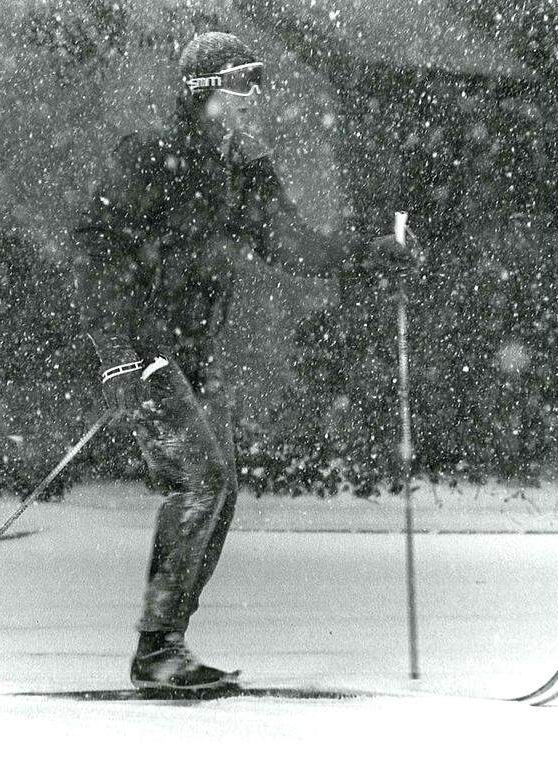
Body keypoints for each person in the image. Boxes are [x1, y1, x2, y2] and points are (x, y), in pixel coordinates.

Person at [73, 31, 413, 691]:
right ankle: (158, 651)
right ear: (202, 91)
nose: (253, 98)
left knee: (220, 492)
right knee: (199, 482)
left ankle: (167, 643)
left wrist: (370, 253)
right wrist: (115, 355)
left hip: (195, 354)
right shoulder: (151, 155)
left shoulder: (241, 168)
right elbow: (95, 249)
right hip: (148, 351)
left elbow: (292, 244)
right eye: (240, 84)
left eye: (257, 84)